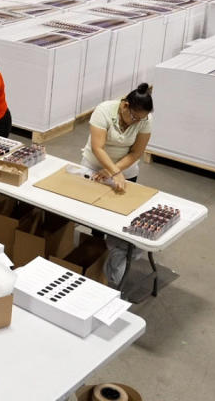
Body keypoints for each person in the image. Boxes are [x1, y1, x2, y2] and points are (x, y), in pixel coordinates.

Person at [80, 83, 155, 287]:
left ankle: (112, 258)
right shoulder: (104, 111)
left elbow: (136, 152)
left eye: (141, 119)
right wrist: (111, 171)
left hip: (125, 170)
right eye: (134, 117)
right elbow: (98, 147)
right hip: (95, 166)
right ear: (124, 105)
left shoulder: (144, 120)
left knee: (117, 216)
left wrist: (116, 171)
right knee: (94, 215)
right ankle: (96, 253)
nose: (137, 122)